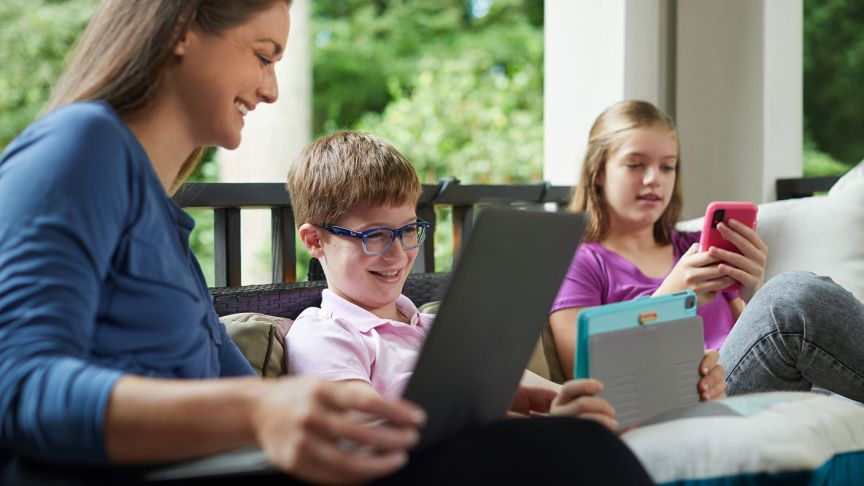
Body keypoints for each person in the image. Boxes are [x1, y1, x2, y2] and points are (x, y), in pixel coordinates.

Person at [0, 2, 652, 485]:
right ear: (180, 31)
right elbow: (20, 387)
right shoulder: (79, 146)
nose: (272, 88)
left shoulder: (162, 221)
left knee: (568, 445)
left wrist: (507, 396)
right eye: (262, 54)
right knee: (572, 458)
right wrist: (261, 410)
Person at [284, 131, 725, 429]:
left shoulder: (442, 331)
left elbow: (562, 397)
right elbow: (374, 439)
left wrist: (677, 383)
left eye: (407, 231)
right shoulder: (324, 334)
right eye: (375, 236)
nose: (399, 254)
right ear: (315, 240)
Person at [549, 100, 864, 402]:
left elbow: (753, 341)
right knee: (793, 294)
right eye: (635, 164)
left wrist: (754, 292)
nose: (653, 180)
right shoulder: (578, 261)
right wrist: (672, 296)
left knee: (789, 295)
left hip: (734, 378)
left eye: (667, 167)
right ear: (599, 172)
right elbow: (582, 374)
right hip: (683, 398)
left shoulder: (696, 247)